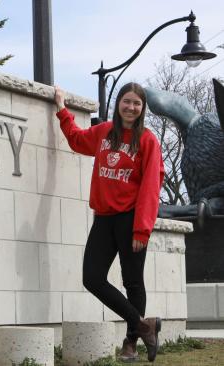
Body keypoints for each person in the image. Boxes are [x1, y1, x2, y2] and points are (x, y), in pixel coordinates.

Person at [54, 82, 164, 363]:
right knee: (91, 278)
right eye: (126, 102)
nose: (131, 107)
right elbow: (78, 140)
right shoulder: (104, 132)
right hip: (103, 218)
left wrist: (142, 228)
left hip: (130, 219)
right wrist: (61, 109)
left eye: (137, 104)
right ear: (118, 104)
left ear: (142, 109)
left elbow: (151, 187)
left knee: (133, 282)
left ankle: (131, 344)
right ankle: (143, 325)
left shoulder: (148, 141)